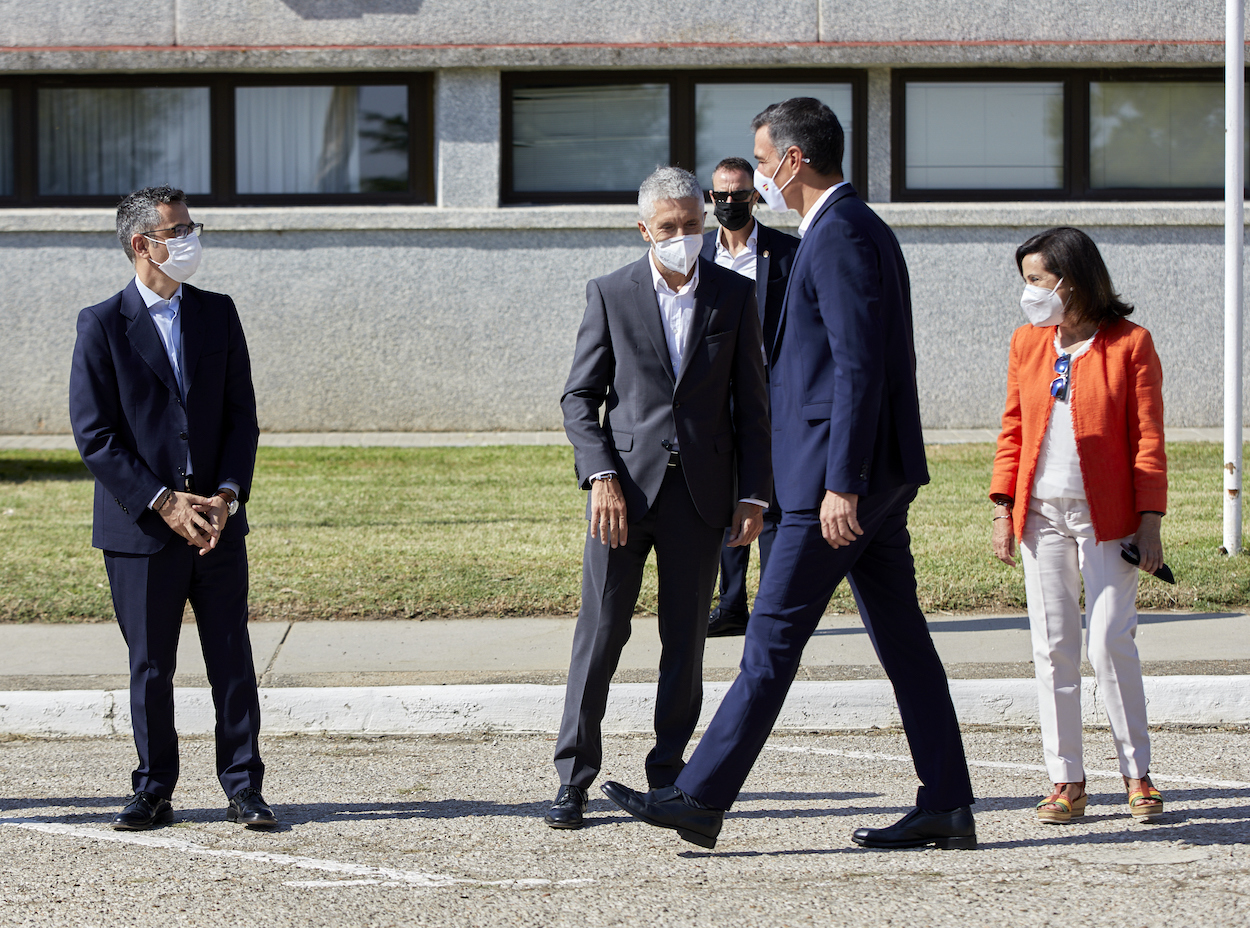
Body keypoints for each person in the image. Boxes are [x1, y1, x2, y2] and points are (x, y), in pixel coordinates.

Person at [601, 98, 977, 851]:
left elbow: (859, 368)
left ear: (794, 161)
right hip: (862, 477)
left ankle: (701, 798)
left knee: (770, 643)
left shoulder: (837, 235)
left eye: (764, 161)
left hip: (833, 487)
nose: (758, 178)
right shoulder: (852, 227)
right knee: (904, 642)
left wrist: (844, 482)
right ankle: (947, 802)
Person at [547, 166, 772, 830]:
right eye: (669, 228)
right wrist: (601, 476)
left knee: (686, 643)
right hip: (621, 496)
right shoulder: (611, 293)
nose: (683, 237)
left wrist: (754, 494)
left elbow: (753, 407)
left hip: (701, 499)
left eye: (692, 226)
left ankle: (668, 776)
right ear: (644, 229)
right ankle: (573, 777)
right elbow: (579, 399)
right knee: (601, 636)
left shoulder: (733, 297)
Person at [69, 186, 276, 831]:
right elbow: (95, 435)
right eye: (178, 230)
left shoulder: (219, 313)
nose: (191, 239)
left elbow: (242, 416)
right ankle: (153, 787)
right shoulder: (102, 324)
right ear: (142, 244)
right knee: (152, 665)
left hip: (215, 525)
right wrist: (163, 502)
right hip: (142, 530)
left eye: (192, 226)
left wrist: (226, 495)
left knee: (232, 659)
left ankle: (244, 785)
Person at [990, 227, 1167, 824]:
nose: (1029, 295)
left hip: (1109, 520)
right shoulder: (1027, 343)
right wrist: (1002, 507)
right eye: (1026, 283)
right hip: (1041, 517)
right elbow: (1013, 428)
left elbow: (1148, 441)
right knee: (1054, 650)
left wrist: (1150, 523)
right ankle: (1067, 780)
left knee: (1109, 643)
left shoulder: (1131, 344)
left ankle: (1136, 774)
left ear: (1072, 280)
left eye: (1037, 282)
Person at [701, 156, 800, 638]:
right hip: (718, 393)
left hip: (772, 391)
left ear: (755, 195)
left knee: (772, 502)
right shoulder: (697, 252)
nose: (730, 204)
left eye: (739, 195)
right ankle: (732, 606)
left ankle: (774, 608)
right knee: (727, 501)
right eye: (720, 196)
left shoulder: (787, 252)